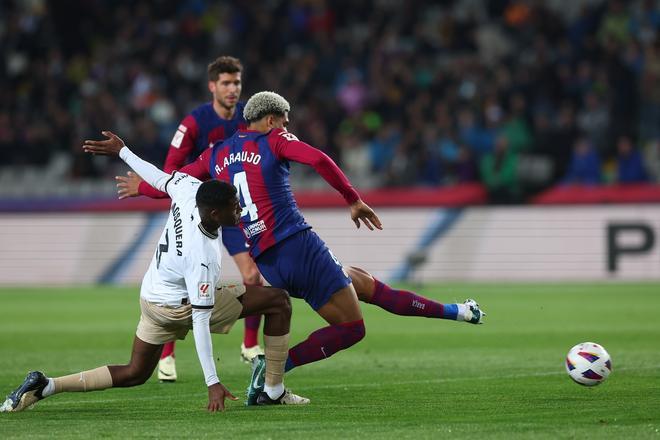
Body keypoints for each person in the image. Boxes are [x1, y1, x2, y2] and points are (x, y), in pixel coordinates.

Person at [125, 91, 486, 404]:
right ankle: (274, 370)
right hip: (297, 245)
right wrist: (352, 198)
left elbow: (176, 181)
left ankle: (459, 311)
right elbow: (318, 159)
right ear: (270, 119)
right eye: (283, 120)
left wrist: (141, 187)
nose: (286, 126)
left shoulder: (217, 152)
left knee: (364, 284)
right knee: (352, 328)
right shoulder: (274, 140)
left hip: (268, 260)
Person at [0, 132, 308, 413]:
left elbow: (159, 178)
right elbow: (201, 322)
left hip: (152, 298)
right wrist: (212, 382)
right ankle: (272, 390)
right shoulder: (201, 257)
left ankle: (46, 384)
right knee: (278, 301)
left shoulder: (189, 189)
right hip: (180, 307)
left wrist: (123, 151)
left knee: (135, 372)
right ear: (215, 214)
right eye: (234, 207)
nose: (239, 211)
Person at [120, 56, 264, 381]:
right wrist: (144, 187)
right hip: (198, 214)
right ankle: (167, 355)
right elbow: (171, 174)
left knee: (252, 275)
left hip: (232, 211)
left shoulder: (247, 118)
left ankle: (250, 345)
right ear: (212, 86)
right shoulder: (194, 123)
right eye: (226, 83)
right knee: (187, 288)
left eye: (237, 83)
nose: (232, 89)